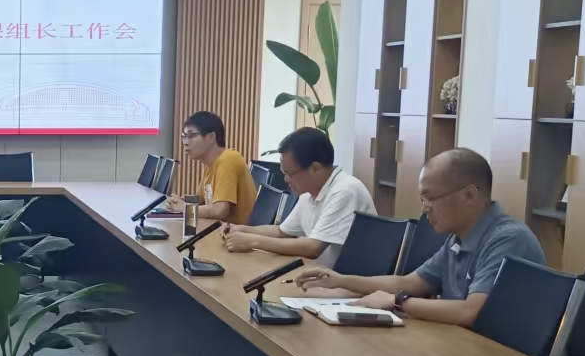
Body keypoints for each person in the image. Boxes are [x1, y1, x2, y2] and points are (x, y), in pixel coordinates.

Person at [294, 148, 545, 325]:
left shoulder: (508, 239)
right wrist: (340, 280)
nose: (424, 209)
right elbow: (410, 282)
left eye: (430, 198)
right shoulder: (457, 238)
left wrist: (398, 302)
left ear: (469, 195)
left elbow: (471, 311)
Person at [221, 126, 374, 267]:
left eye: (289, 173)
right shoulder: (309, 192)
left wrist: (253, 241)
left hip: (347, 282)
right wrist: (240, 229)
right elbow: (282, 232)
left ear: (315, 168)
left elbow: (313, 247)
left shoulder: (345, 191)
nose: (286, 179)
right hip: (319, 275)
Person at [180, 110, 258, 224]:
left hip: (237, 232)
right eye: (184, 136)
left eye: (191, 136)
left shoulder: (228, 159)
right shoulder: (210, 163)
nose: (185, 142)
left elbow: (220, 210)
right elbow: (200, 199)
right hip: (221, 229)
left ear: (211, 137)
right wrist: (182, 200)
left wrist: (185, 208)